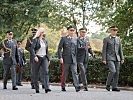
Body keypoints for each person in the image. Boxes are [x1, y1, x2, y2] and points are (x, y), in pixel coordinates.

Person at [58, 25, 80, 92]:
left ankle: (77, 86)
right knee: (65, 73)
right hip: (65, 59)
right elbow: (59, 49)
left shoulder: (76, 39)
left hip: (74, 59)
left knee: (75, 72)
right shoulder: (64, 39)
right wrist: (60, 57)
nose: (72, 32)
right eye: (71, 30)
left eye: (73, 30)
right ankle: (63, 86)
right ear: (68, 31)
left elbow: (77, 49)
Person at [102, 26, 124, 92]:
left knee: (117, 72)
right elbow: (104, 50)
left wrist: (122, 58)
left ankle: (114, 87)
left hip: (117, 58)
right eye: (113, 30)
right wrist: (104, 59)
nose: (114, 32)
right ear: (110, 31)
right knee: (113, 71)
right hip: (109, 57)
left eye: (116, 30)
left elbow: (120, 49)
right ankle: (108, 84)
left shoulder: (118, 39)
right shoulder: (106, 39)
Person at [31, 27, 51, 93]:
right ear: (39, 33)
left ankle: (46, 87)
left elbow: (47, 50)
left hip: (44, 58)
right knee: (35, 73)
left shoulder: (45, 41)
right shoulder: (35, 40)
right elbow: (32, 49)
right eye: (42, 32)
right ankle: (37, 88)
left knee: (46, 72)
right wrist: (35, 56)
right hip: (37, 58)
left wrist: (48, 59)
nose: (43, 34)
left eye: (44, 32)